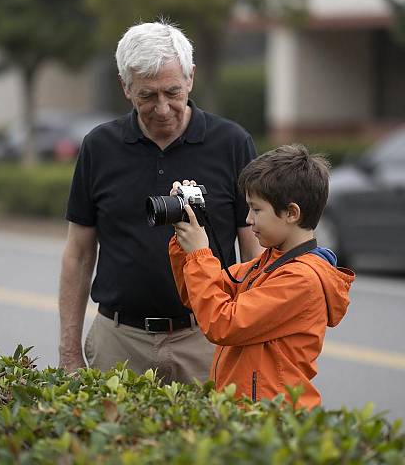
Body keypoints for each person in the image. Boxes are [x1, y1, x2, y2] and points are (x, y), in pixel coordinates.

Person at [58, 20, 262, 384]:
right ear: (125, 87)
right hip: (119, 340)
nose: (163, 108)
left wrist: (252, 341)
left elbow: (254, 250)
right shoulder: (99, 147)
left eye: (172, 92)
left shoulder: (232, 143)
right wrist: (70, 355)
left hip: (207, 338)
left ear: (191, 78)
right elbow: (78, 254)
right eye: (147, 96)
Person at [169, 144, 355, 407]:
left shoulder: (302, 280)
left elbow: (222, 324)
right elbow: (197, 296)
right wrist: (184, 242)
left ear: (291, 213)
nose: (248, 219)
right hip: (246, 409)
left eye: (256, 209)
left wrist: (200, 253)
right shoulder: (269, 263)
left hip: (270, 417)